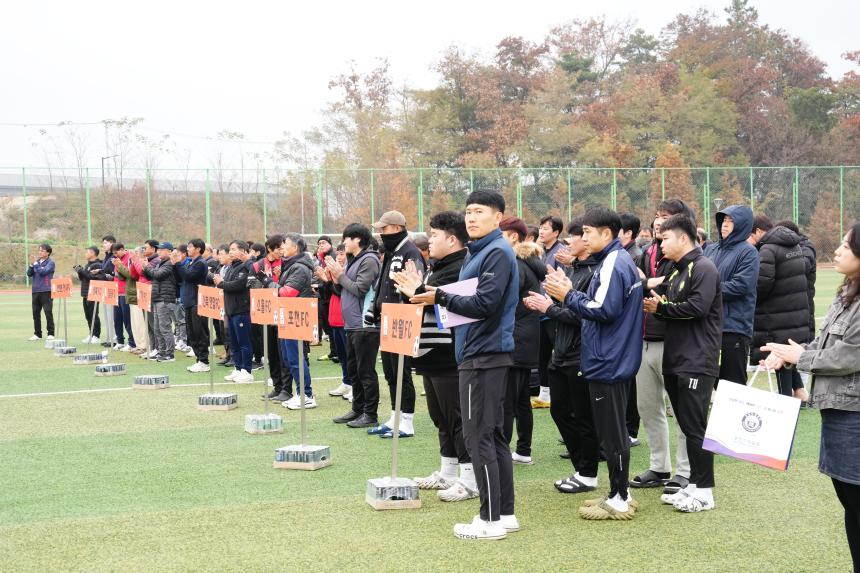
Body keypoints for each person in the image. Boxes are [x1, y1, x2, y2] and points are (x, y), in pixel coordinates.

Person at [411, 190, 520, 541]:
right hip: (480, 352)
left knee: (479, 438)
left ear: (498, 216)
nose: (471, 217)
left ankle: (489, 520)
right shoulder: (482, 252)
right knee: (494, 436)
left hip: (483, 354)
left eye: (479, 212)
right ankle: (504, 514)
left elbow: (485, 303)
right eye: (469, 211)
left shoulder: (497, 252)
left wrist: (438, 295)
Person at [762, 222, 860, 572]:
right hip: (836, 411)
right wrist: (789, 351)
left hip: (854, 414)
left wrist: (799, 358)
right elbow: (824, 345)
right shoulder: (846, 293)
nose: (837, 251)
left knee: (856, 499)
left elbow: (849, 355)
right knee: (849, 501)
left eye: (847, 246)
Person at [543, 207, 644, 521]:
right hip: (609, 357)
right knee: (610, 431)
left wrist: (567, 294)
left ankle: (620, 498)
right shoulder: (613, 260)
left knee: (612, 434)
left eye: (588, 232)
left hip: (608, 359)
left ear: (607, 234)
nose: (582, 238)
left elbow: (603, 309)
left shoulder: (615, 261)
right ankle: (616, 492)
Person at [644, 214, 722, 513]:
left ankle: (705, 491)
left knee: (696, 426)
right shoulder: (676, 272)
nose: (660, 242)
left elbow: (698, 308)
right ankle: (692, 484)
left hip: (697, 360)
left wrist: (660, 308)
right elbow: (662, 302)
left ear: (683, 238)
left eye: (664, 238)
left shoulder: (703, 267)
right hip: (676, 358)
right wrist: (655, 303)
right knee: (688, 426)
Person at [396, 211, 476, 502]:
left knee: (457, 417)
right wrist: (413, 292)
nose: (430, 241)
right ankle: (448, 471)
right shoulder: (437, 266)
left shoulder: (462, 268)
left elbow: (450, 307)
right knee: (440, 417)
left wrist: (418, 291)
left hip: (448, 354)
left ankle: (469, 479)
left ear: (452, 239)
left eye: (434, 235)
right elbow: (423, 301)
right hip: (429, 353)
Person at [524, 218, 600, 495]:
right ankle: (581, 467)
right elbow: (565, 306)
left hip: (581, 353)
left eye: (575, 239)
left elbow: (584, 315)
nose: (569, 245)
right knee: (560, 410)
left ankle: (588, 473)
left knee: (583, 416)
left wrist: (549, 307)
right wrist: (545, 302)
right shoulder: (575, 270)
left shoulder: (594, 273)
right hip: (562, 350)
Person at [631, 199, 692, 497]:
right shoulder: (648, 252)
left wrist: (647, 283)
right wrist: (646, 283)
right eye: (656, 216)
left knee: (681, 410)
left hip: (672, 342)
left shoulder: (689, 259)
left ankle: (685, 471)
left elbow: (665, 287)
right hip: (643, 339)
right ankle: (659, 466)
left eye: (665, 218)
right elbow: (641, 284)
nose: (658, 223)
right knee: (647, 407)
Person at [369, 210, 426, 438]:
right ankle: (395, 415)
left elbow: (415, 286)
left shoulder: (410, 251)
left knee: (402, 371)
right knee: (391, 371)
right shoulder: (394, 251)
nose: (381, 233)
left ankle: (407, 420)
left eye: (384, 229)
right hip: (388, 317)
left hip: (403, 317)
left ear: (396, 227)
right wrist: (376, 309)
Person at [499, 216, 545, 466]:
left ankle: (504, 451)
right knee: (520, 401)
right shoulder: (529, 262)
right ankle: (523, 450)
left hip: (516, 337)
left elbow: (505, 299)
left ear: (513, 236)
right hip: (525, 337)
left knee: (508, 400)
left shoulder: (516, 263)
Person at [327, 223, 382, 429]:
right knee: (354, 370)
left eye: (347, 239)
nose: (344, 243)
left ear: (358, 239)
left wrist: (340, 275)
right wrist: (335, 278)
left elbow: (360, 289)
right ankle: (357, 409)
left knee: (365, 371)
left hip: (365, 324)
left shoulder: (369, 260)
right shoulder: (353, 260)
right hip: (351, 324)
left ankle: (370, 413)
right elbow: (344, 290)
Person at [750, 222, 811, 396]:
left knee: (780, 358)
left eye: (750, 235)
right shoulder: (795, 246)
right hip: (795, 312)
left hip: (776, 315)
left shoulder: (768, 249)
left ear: (759, 232)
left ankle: (786, 405)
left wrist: (752, 301)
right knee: (787, 358)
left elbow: (762, 284)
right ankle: (798, 392)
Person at [260, 233, 317, 410]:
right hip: (289, 317)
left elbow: (286, 293)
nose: (282, 247)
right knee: (290, 358)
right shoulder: (292, 265)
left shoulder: (299, 267)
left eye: (285, 244)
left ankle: (306, 395)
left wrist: (269, 282)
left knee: (296, 358)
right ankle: (301, 393)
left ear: (296, 248)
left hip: (297, 318)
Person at [704, 205, 759, 385]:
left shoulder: (748, 252)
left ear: (742, 225)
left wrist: (706, 290)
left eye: (731, 221)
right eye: (724, 220)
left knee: (732, 384)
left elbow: (740, 286)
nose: (725, 225)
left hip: (733, 328)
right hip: (708, 326)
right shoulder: (711, 249)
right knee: (708, 381)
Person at [776, 220, 816, 401]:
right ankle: (799, 392)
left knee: (791, 348)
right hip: (791, 307)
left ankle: (794, 394)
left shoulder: (805, 249)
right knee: (786, 350)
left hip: (801, 309)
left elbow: (803, 266)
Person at [254, 235, 292, 402]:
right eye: (278, 248)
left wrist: (277, 278)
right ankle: (277, 386)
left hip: (283, 312)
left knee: (283, 352)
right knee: (271, 352)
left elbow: (286, 288)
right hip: (265, 312)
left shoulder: (286, 264)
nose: (280, 251)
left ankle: (286, 388)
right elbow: (253, 286)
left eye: (282, 247)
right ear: (269, 248)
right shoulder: (257, 265)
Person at [533, 215, 564, 409]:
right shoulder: (540, 251)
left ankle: (558, 391)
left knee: (558, 351)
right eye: (541, 227)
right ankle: (544, 393)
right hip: (540, 309)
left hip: (554, 310)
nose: (542, 231)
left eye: (546, 228)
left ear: (556, 232)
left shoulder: (562, 252)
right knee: (542, 352)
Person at [213, 240, 254, 384]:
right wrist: (221, 282)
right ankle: (238, 368)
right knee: (234, 342)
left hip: (241, 310)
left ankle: (247, 371)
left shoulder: (245, 267)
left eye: (234, 249)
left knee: (244, 342)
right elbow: (227, 285)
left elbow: (238, 285)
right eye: (229, 249)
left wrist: (221, 283)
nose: (230, 252)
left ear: (243, 251)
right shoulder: (231, 267)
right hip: (231, 310)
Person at [317, 243, 353, 401]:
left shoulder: (349, 271)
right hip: (334, 315)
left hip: (346, 317)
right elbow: (327, 294)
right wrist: (325, 280)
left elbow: (342, 291)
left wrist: (329, 280)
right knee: (342, 355)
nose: (339, 257)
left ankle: (354, 384)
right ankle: (346, 381)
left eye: (342, 254)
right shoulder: (335, 270)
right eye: (338, 254)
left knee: (351, 355)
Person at [619, 213, 642, 444]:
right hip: (629, 327)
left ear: (627, 233)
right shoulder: (625, 255)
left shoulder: (633, 256)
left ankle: (631, 430)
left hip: (632, 326)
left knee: (631, 382)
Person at [177, 239, 211, 373]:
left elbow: (189, 276)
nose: (188, 249)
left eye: (190, 247)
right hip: (189, 301)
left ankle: (204, 360)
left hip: (197, 302)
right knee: (192, 333)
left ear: (198, 249)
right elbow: (181, 278)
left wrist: (178, 264)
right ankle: (199, 359)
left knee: (199, 332)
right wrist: (176, 266)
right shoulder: (191, 262)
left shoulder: (200, 263)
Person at [142, 242, 178, 362]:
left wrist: (148, 267)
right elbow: (151, 277)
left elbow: (158, 275)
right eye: (159, 250)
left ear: (169, 251)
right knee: (157, 328)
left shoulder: (169, 264)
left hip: (165, 298)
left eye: (162, 250)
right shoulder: (160, 263)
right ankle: (161, 352)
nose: (159, 252)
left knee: (165, 327)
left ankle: (170, 354)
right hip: (157, 298)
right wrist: (145, 268)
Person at [114, 246, 146, 355]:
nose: (132, 254)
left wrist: (119, 265)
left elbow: (132, 275)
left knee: (139, 323)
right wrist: (119, 267)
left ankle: (143, 346)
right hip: (131, 294)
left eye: (136, 252)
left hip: (136, 294)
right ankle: (138, 345)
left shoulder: (140, 262)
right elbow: (125, 276)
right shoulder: (133, 262)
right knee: (135, 323)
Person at [74, 246, 103, 343]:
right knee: (88, 315)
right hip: (85, 293)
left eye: (87, 252)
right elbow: (84, 278)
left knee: (94, 314)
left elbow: (93, 278)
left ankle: (96, 336)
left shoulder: (97, 265)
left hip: (93, 293)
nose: (85, 254)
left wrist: (82, 271)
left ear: (93, 253)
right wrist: (79, 271)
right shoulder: (88, 265)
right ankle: (91, 334)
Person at [26, 243, 55, 341]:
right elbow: (29, 274)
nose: (40, 252)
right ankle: (37, 334)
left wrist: (35, 264)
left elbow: (43, 272)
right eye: (39, 250)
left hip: (46, 290)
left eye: (42, 250)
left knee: (48, 312)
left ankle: (51, 333)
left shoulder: (50, 263)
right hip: (35, 290)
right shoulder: (36, 262)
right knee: (35, 313)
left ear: (48, 252)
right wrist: (31, 265)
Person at [110, 243, 136, 351]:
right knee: (117, 319)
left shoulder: (129, 258)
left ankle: (132, 342)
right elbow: (119, 275)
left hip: (126, 293)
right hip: (117, 292)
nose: (115, 255)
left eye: (116, 253)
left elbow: (130, 275)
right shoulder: (117, 260)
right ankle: (120, 341)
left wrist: (119, 265)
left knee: (127, 319)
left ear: (122, 249)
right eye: (113, 254)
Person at [315, 236, 336, 362]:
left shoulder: (331, 257)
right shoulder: (322, 259)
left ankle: (336, 352)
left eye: (323, 243)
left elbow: (331, 279)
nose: (321, 245)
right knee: (327, 326)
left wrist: (323, 281)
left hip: (331, 296)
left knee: (333, 326)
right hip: (324, 296)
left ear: (330, 244)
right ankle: (333, 351)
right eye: (319, 243)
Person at [98, 235, 117, 346]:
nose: (104, 245)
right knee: (106, 314)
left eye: (105, 243)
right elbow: (104, 270)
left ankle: (114, 339)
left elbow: (110, 271)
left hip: (112, 287)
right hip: (105, 286)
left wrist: (101, 272)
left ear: (112, 243)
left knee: (111, 315)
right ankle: (109, 338)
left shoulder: (114, 256)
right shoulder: (106, 256)